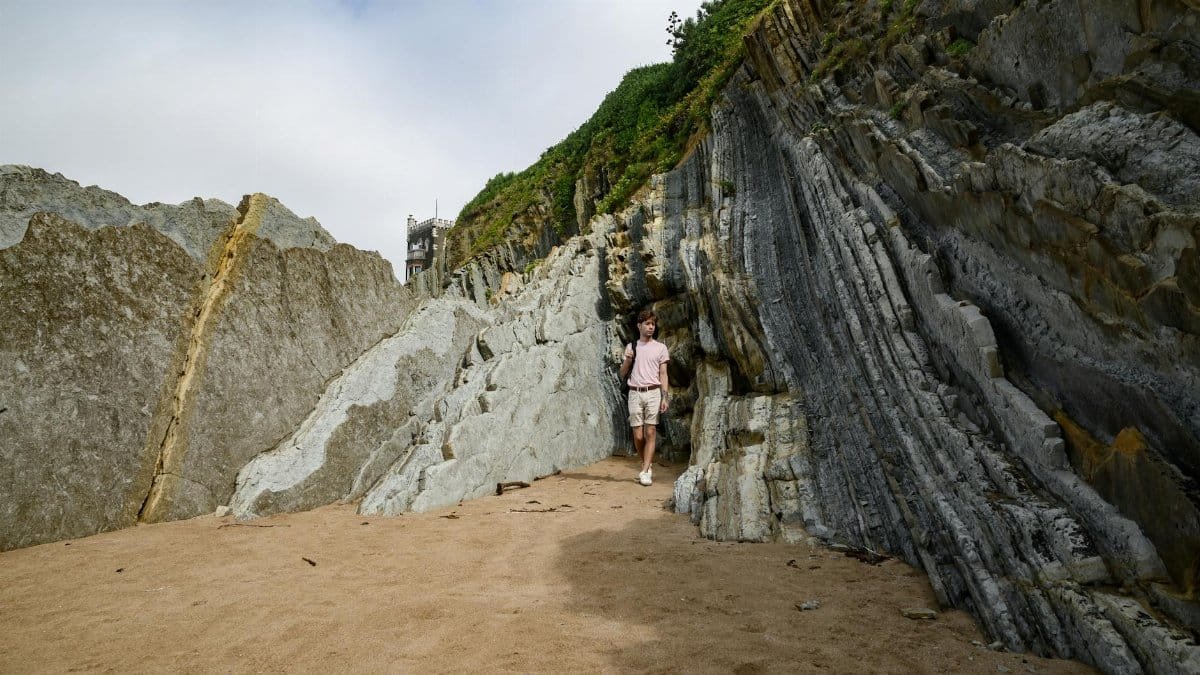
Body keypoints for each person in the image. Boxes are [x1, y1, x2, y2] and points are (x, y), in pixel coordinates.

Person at [619, 308, 670, 486]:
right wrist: (628, 360)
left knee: (651, 431)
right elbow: (622, 373)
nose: (651, 327)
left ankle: (646, 470)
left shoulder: (661, 348)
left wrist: (665, 397)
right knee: (638, 435)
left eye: (653, 324)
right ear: (639, 326)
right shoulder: (631, 347)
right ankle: (646, 466)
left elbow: (663, 374)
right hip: (635, 392)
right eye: (647, 324)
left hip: (654, 392)